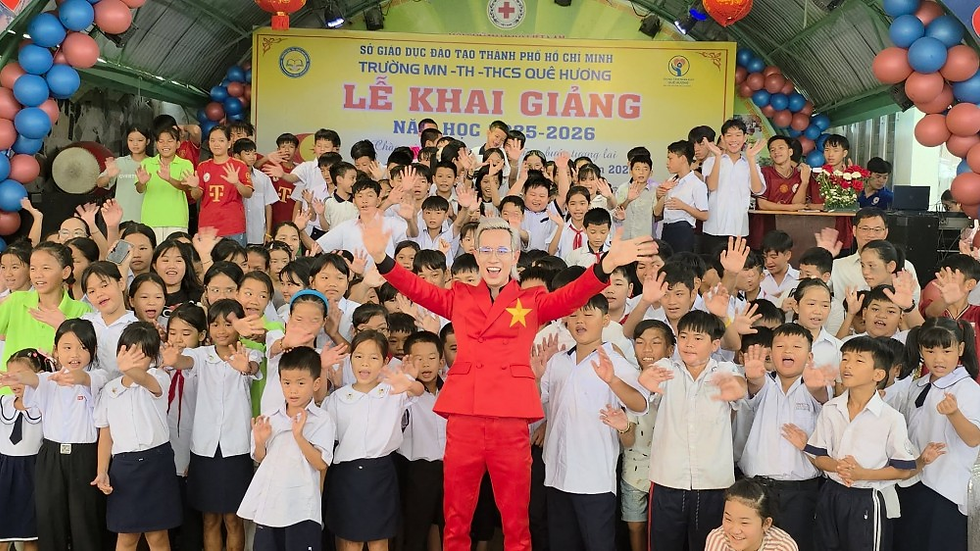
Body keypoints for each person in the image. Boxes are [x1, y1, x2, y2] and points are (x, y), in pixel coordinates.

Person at [361, 213, 655, 550]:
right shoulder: (459, 295)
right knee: (455, 519)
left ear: (515, 256)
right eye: (485, 250)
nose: (493, 258)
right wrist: (383, 259)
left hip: (510, 420)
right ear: (475, 255)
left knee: (516, 522)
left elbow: (571, 296)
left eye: (502, 250)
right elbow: (418, 289)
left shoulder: (530, 301)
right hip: (465, 417)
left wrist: (605, 267)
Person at [784, 336, 941, 551]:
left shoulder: (890, 418)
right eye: (845, 358)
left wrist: (862, 473)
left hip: (867, 498)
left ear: (878, 374)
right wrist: (837, 466)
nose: (847, 365)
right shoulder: (831, 408)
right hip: (831, 493)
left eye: (859, 361)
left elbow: (903, 470)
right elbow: (819, 457)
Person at [535, 294, 649, 551]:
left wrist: (612, 381)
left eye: (588, 314)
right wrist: (536, 376)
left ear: (605, 319)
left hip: (593, 479)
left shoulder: (615, 361)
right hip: (557, 475)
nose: (580, 320)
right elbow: (537, 405)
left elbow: (640, 403)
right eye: (574, 314)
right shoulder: (558, 361)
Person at [638, 310, 749, 551]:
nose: (689, 344)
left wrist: (736, 388)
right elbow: (643, 391)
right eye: (684, 337)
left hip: (713, 482)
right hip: (668, 479)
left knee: (711, 546)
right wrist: (644, 382)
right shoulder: (666, 368)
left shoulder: (725, 370)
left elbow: (740, 386)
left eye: (698, 338)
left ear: (715, 344)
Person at [160, 299, 261, 551]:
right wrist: (172, 358)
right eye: (215, 324)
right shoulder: (201, 355)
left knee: (233, 519)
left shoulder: (250, 351)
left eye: (229, 323)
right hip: (204, 449)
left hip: (236, 448)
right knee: (209, 519)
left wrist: (245, 366)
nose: (221, 330)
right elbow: (183, 361)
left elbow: (253, 367)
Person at [0, 319, 107, 551]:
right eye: (67, 347)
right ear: (56, 350)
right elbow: (33, 379)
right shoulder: (47, 380)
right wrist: (18, 377)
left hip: (84, 456)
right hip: (50, 456)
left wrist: (73, 376)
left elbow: (84, 378)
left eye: (82, 347)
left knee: (84, 522)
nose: (74, 354)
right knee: (50, 520)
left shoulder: (99, 376)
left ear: (94, 350)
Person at [322, 330, 423, 551]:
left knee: (379, 541)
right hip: (347, 476)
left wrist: (409, 383)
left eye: (373, 357)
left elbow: (418, 391)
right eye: (358, 356)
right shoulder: (338, 398)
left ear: (385, 361)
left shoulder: (393, 391)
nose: (364, 363)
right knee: (350, 542)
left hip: (380, 472)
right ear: (350, 359)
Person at [738, 323, 834, 551]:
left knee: (796, 545)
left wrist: (816, 386)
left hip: (800, 492)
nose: (787, 350)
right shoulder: (765, 384)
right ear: (771, 352)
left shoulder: (815, 387)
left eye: (796, 346)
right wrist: (752, 378)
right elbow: (755, 386)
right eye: (780, 345)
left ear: (809, 355)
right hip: (757, 488)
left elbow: (821, 394)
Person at [93, 322, 181, 551]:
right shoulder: (110, 390)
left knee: (158, 536)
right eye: (129, 351)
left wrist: (129, 369)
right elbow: (105, 434)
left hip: (157, 463)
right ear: (120, 351)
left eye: (141, 354)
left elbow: (145, 380)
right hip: (124, 468)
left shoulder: (159, 377)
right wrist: (102, 471)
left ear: (153, 358)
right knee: (126, 536)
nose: (133, 359)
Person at [894, 318, 980, 550]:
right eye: (930, 350)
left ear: (960, 349)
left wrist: (954, 414)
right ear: (921, 350)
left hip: (945, 490)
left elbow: (974, 438)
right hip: (912, 482)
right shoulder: (918, 385)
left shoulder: (968, 389)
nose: (938, 358)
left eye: (947, 350)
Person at [239, 347, 335, 551]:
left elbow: (320, 463)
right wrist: (259, 441)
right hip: (270, 504)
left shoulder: (321, 419)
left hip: (302, 506)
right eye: (287, 383)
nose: (293, 390)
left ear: (316, 383)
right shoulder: (270, 416)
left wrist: (299, 436)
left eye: (301, 383)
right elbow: (259, 458)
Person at [0, 242, 91, 374]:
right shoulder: (15, 301)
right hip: (12, 390)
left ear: (65, 272)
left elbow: (87, 359)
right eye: (33, 268)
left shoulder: (82, 310)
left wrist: (63, 326)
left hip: (58, 390)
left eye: (46, 268)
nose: (38, 275)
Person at [0, 349, 53, 551]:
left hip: (33, 473)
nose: (14, 382)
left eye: (20, 376)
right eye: (10, 375)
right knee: (2, 535)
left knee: (31, 534)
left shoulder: (44, 406)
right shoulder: (3, 403)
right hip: (4, 473)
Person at [701, 119, 766, 253]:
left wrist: (751, 159)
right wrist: (718, 157)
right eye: (729, 135)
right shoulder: (711, 161)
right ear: (723, 138)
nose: (733, 139)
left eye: (738, 135)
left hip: (739, 228)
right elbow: (711, 186)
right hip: (714, 227)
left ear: (744, 138)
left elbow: (757, 189)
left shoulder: (749, 164)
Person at [136, 127, 197, 244]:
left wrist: (169, 179)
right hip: (151, 219)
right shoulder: (146, 163)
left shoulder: (185, 164)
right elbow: (139, 189)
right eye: (161, 141)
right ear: (156, 144)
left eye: (170, 141)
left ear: (178, 144)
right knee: (154, 256)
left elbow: (186, 187)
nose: (165, 144)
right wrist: (142, 182)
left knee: (177, 254)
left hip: (177, 219)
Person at [703, 478, 800, 551]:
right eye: (728, 519)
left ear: (766, 523)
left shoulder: (782, 546)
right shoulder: (718, 539)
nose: (735, 530)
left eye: (744, 523)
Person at [195, 125, 254, 245]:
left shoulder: (239, 165)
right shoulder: (203, 166)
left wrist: (236, 183)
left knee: (235, 262)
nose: (216, 144)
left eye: (221, 140)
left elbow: (248, 193)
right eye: (212, 140)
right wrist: (194, 185)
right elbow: (196, 195)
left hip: (233, 226)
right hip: (208, 227)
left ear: (229, 143)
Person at [656, 140, 708, 253]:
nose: (667, 163)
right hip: (666, 229)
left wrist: (683, 206)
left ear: (683, 159)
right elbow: (656, 212)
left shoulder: (697, 184)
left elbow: (704, 215)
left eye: (670, 158)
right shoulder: (671, 181)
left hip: (683, 231)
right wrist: (662, 194)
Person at [97, 126, 151, 223]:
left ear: (147, 142)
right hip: (122, 218)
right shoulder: (120, 162)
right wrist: (108, 175)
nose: (135, 144)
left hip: (147, 218)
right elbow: (100, 183)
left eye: (140, 140)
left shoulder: (153, 163)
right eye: (131, 140)